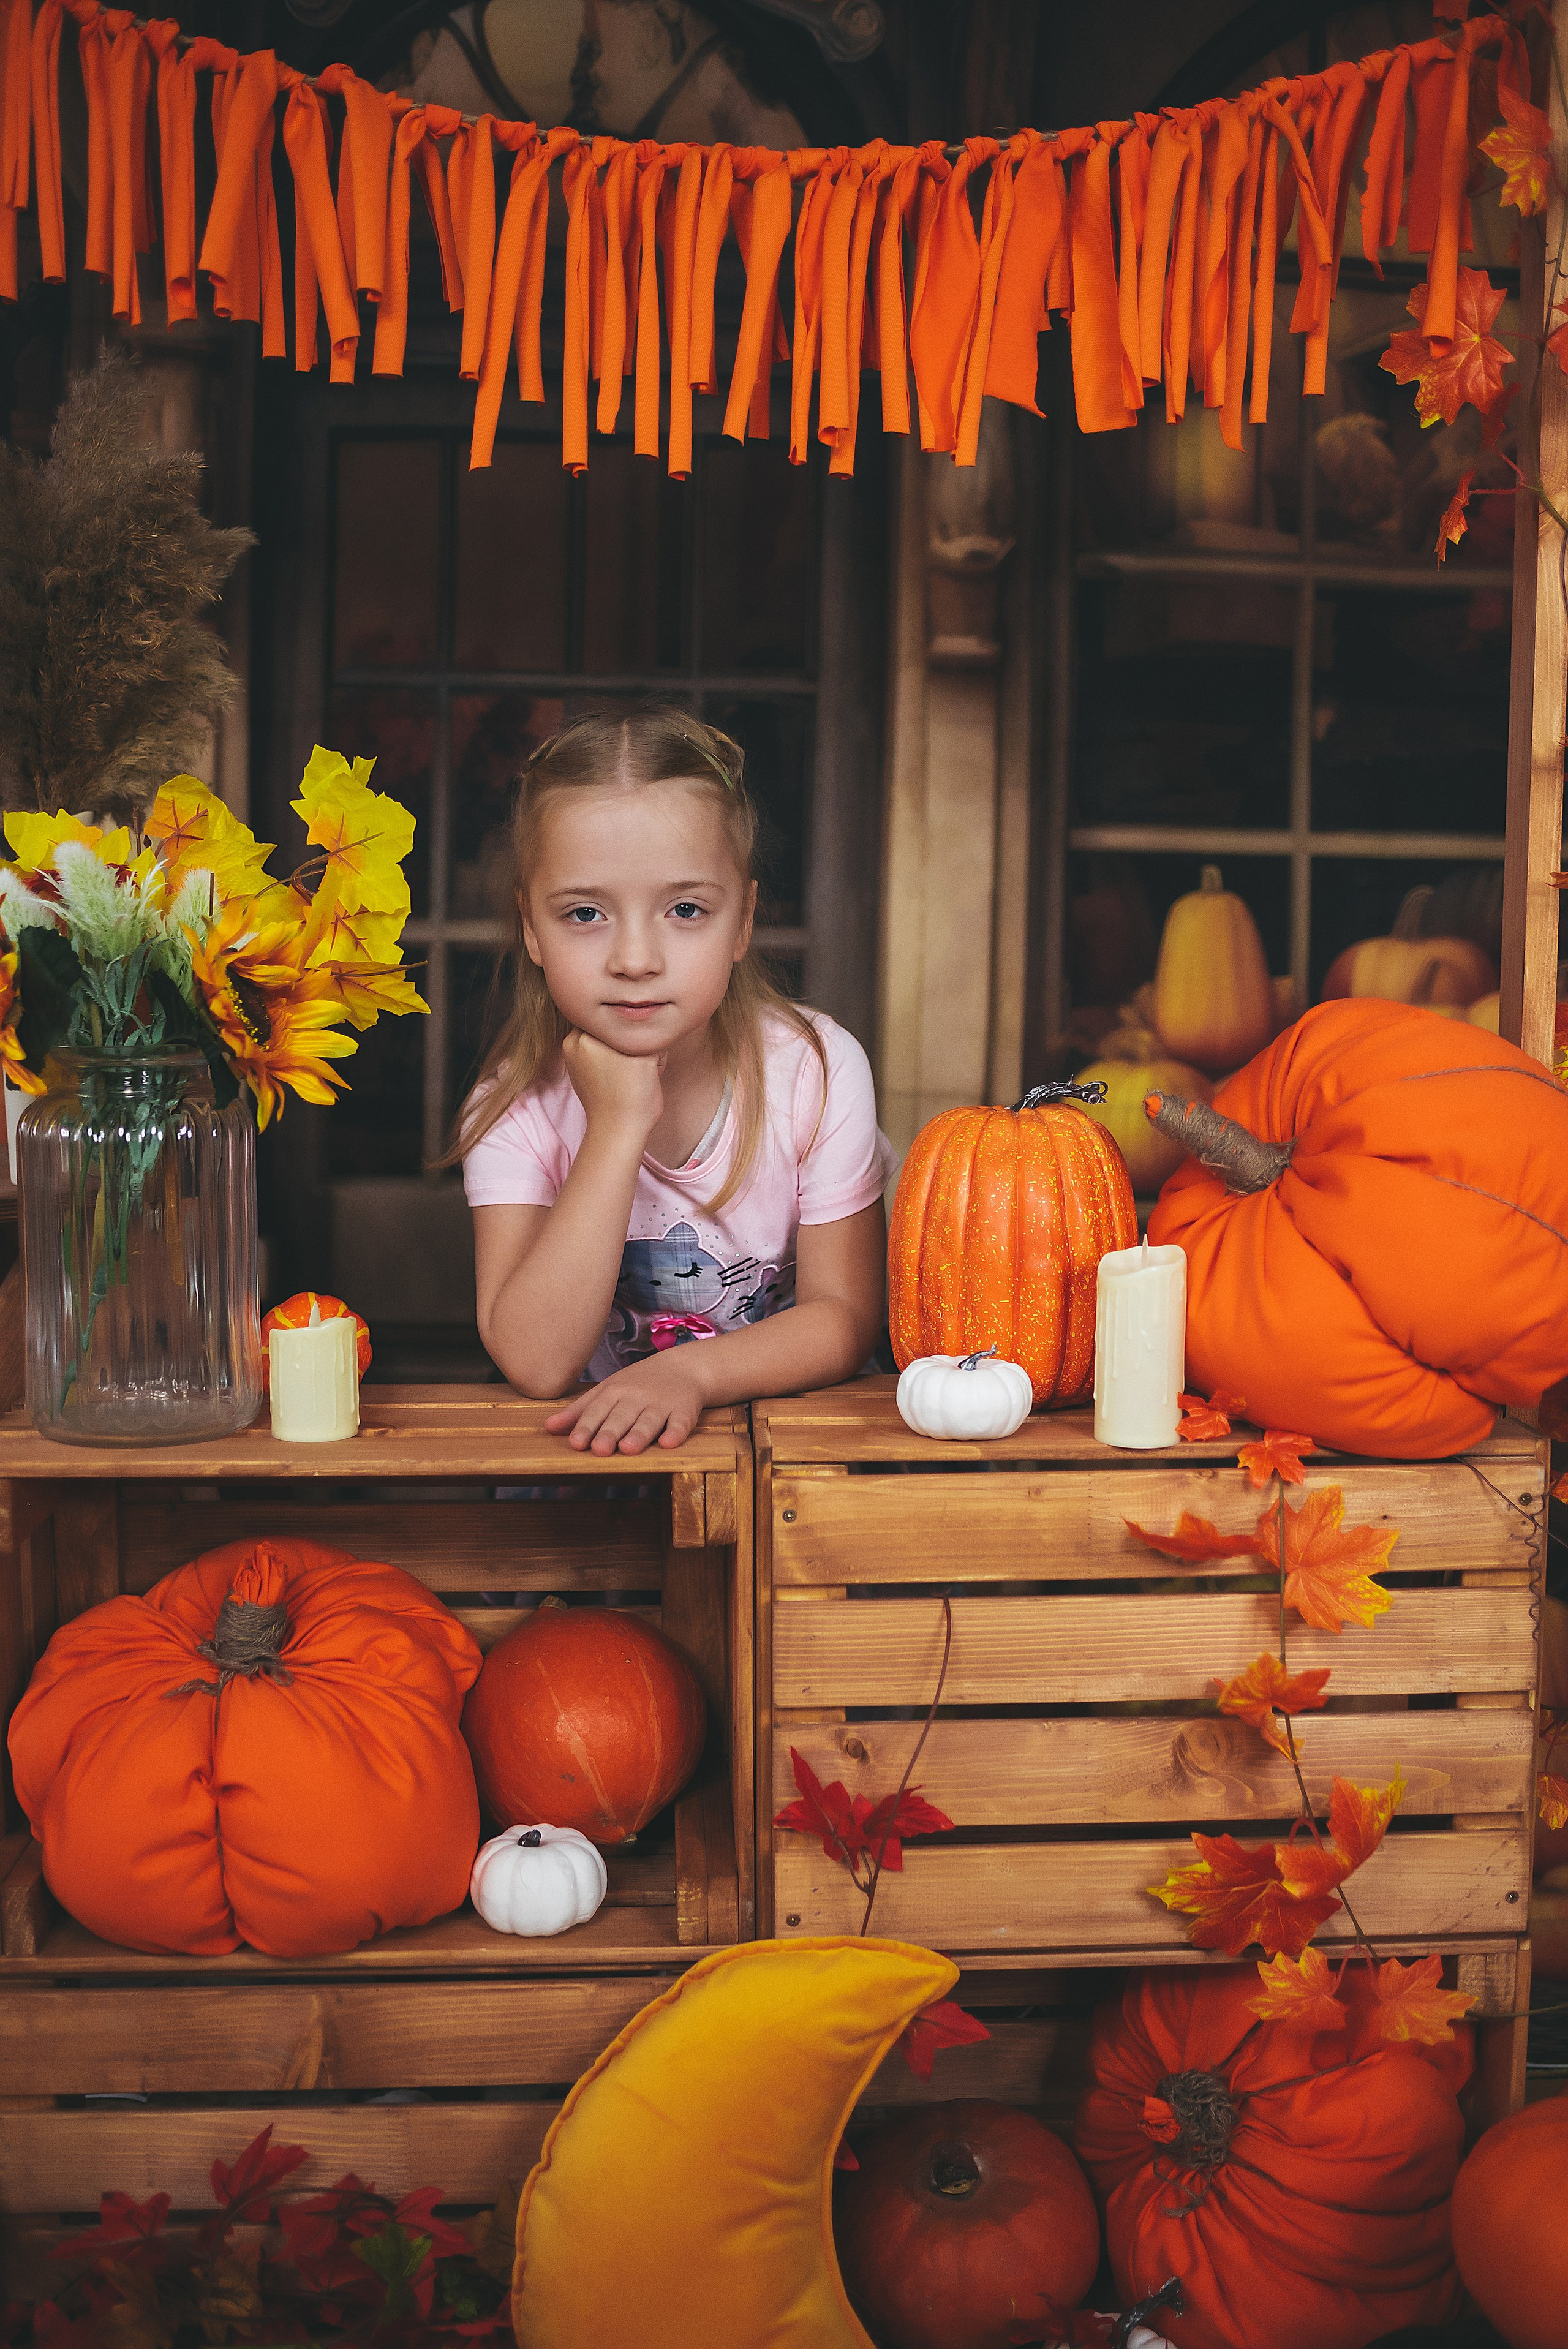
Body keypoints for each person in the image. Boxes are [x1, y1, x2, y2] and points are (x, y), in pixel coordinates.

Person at [455, 706, 892, 1455]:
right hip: (597, 1462)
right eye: (585, 913)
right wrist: (617, 1125)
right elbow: (534, 1360)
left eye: (685, 909)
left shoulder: (814, 1071)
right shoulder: (513, 1108)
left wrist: (688, 1375)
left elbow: (845, 1317)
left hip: (785, 1458)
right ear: (531, 927)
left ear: (744, 920)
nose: (634, 957)